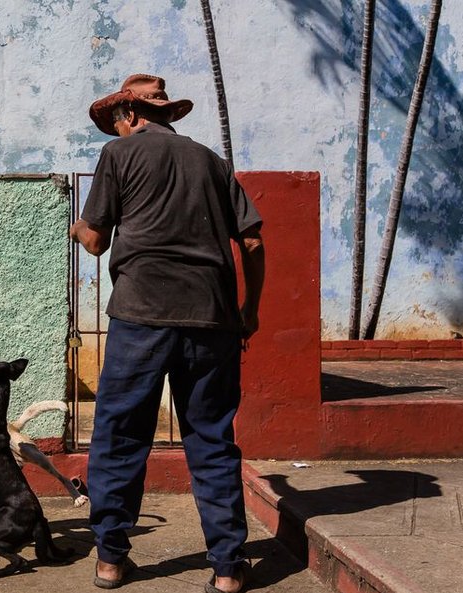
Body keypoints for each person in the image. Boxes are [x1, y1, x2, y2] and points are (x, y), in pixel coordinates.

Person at [69, 73, 265, 593]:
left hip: (140, 316)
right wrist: (251, 309)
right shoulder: (211, 161)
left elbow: (94, 241)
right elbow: (251, 244)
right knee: (211, 438)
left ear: (129, 115)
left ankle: (111, 560)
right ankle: (227, 569)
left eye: (116, 122)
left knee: (120, 435)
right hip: (212, 318)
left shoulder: (119, 156)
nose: (117, 130)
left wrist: (78, 227)